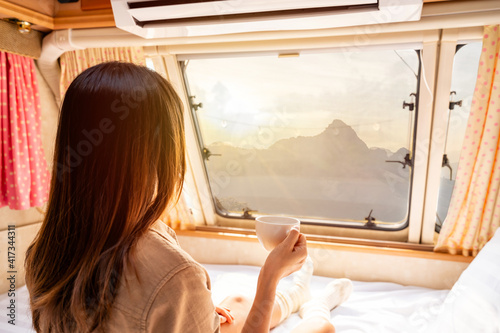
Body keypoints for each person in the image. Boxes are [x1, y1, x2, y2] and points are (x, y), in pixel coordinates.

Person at [25, 62, 352, 333]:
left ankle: (295, 294)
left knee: (237, 303)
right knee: (321, 330)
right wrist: (271, 275)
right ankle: (315, 304)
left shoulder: (42, 253)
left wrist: (202, 313)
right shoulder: (176, 278)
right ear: (158, 154)